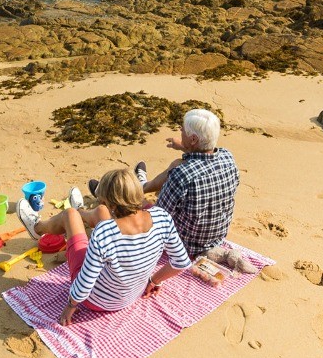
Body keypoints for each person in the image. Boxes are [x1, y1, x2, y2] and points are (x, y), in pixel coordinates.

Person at [18, 170, 192, 327]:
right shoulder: (162, 217)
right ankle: (80, 211)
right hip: (131, 294)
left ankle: (37, 228)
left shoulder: (104, 233)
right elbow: (181, 262)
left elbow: (85, 284)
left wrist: (71, 305)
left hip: (98, 301)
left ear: (113, 206)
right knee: (101, 212)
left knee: (69, 215)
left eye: (104, 201)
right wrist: (154, 280)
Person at [90, 108, 239, 258]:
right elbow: (202, 159)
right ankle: (141, 185)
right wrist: (183, 145)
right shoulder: (228, 157)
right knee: (177, 165)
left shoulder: (183, 174)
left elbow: (159, 216)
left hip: (185, 243)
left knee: (135, 205)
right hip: (216, 236)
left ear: (193, 139)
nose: (180, 130)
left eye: (183, 130)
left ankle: (112, 192)